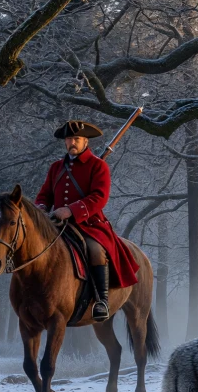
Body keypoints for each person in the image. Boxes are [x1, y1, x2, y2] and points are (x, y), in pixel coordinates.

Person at [35, 120, 140, 322]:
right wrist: (40, 209)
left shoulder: (98, 166)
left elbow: (99, 197)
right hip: (57, 226)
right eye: (69, 139)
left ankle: (101, 301)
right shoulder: (56, 167)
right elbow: (45, 195)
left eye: (76, 139)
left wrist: (71, 210)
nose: (72, 143)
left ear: (85, 141)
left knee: (95, 251)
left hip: (89, 225)